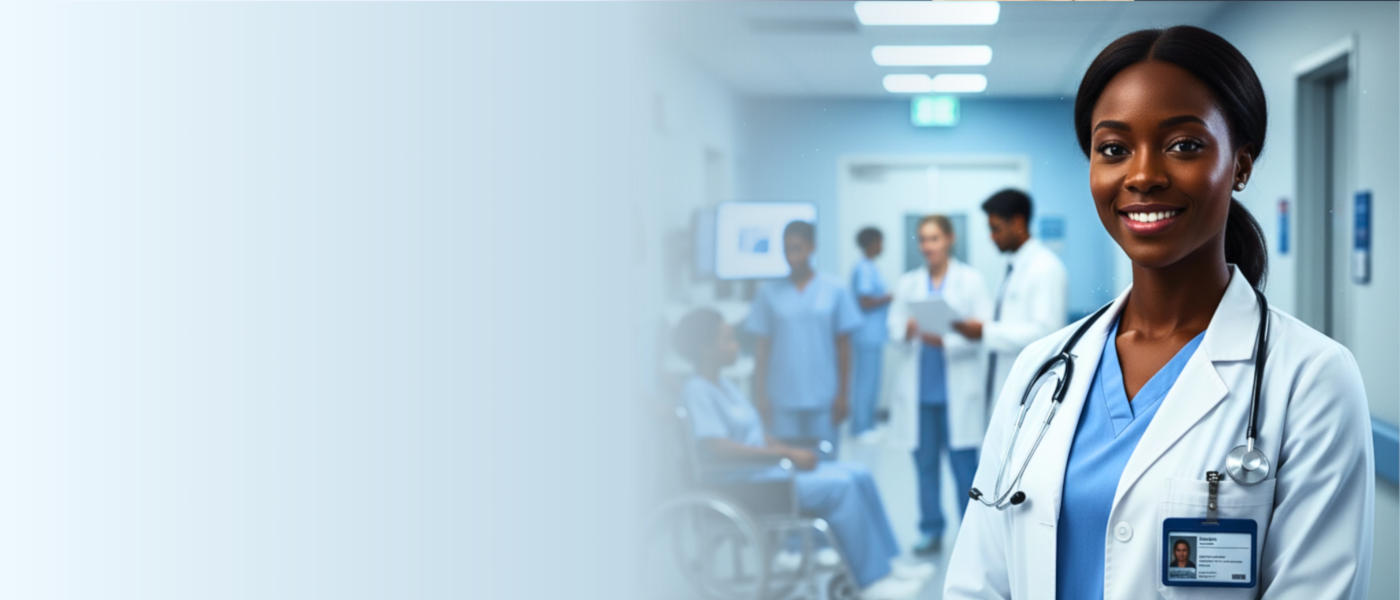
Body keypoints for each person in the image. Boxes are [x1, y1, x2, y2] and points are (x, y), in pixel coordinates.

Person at [945, 26, 1374, 599]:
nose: (1142, 175)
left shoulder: (1311, 380)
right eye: (1114, 149)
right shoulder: (1038, 371)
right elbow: (978, 582)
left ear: (1241, 164)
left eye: (1184, 145)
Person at [673, 308, 932, 599]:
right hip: (748, 483)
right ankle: (872, 581)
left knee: (858, 473)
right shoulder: (697, 390)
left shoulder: (722, 385)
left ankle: (888, 565)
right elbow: (717, 446)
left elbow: (752, 436)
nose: (735, 346)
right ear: (704, 348)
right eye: (727, 340)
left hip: (766, 471)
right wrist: (785, 454)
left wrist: (788, 450)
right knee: (842, 487)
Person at [885, 216, 992, 556]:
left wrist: (945, 340)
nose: (927, 246)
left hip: (958, 391)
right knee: (925, 466)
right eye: (922, 239)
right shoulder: (908, 284)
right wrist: (909, 329)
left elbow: (983, 329)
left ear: (949, 239)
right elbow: (893, 329)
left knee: (964, 469)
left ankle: (969, 535)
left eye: (934, 238)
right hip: (920, 395)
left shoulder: (971, 281)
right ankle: (930, 530)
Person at [746, 220, 861, 456]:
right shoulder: (768, 293)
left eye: (797, 248)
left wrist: (843, 395)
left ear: (812, 247)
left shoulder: (835, 290)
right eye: (787, 249)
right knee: (784, 471)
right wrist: (760, 396)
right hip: (781, 399)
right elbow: (762, 349)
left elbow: (844, 348)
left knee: (826, 467)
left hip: (824, 399)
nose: (792, 256)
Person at [950, 189, 1068, 409]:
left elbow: (1046, 333)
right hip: (1002, 384)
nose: (992, 236)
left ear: (1018, 222)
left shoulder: (1045, 268)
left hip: (1028, 390)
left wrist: (984, 331)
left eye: (996, 229)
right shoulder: (1012, 268)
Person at [850, 226, 893, 440]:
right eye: (880, 242)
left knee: (872, 381)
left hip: (874, 335)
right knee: (865, 382)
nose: (882, 246)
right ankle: (860, 428)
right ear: (871, 243)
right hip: (866, 335)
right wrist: (890, 297)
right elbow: (864, 301)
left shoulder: (871, 267)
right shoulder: (864, 269)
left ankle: (868, 423)